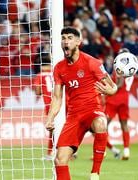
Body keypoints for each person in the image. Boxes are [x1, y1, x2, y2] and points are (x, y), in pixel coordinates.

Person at [45, 27, 117, 180]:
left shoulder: (92, 63)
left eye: (70, 38)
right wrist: (50, 118)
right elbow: (57, 98)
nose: (66, 41)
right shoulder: (59, 68)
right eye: (63, 38)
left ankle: (95, 173)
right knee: (60, 159)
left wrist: (112, 90)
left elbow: (112, 87)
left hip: (92, 111)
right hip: (73, 117)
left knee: (101, 124)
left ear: (78, 42)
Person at [104, 48, 134, 160]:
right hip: (125, 99)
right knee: (124, 125)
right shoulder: (131, 68)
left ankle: (103, 150)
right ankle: (126, 151)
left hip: (114, 98)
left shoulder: (120, 67)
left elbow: (119, 83)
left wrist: (108, 89)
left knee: (103, 125)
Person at [33, 56, 53, 160]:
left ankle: (50, 153)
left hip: (50, 105)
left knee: (52, 128)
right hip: (62, 103)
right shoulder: (55, 72)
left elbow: (38, 92)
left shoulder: (40, 75)